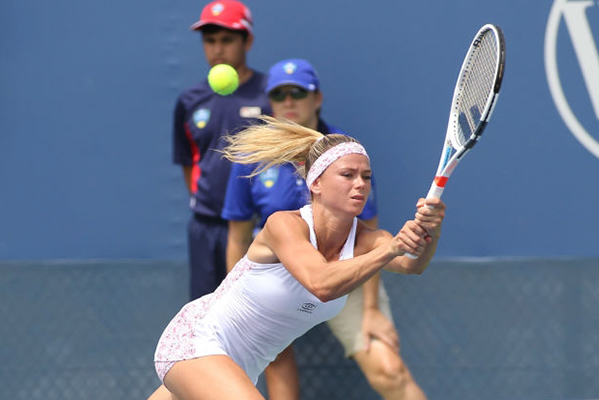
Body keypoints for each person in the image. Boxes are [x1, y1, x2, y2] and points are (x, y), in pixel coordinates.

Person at [148, 117, 446, 400]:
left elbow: (412, 264)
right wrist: (391, 249)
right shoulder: (284, 225)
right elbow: (320, 283)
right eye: (348, 175)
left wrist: (430, 231)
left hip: (238, 367)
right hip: (196, 340)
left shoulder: (368, 240)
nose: (360, 184)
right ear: (315, 183)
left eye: (366, 177)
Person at [221, 59, 427, 400]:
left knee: (389, 370)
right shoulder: (254, 159)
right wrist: (238, 300)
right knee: (273, 371)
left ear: (317, 98)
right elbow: (237, 237)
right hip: (276, 280)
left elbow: (375, 243)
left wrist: (371, 310)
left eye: (298, 93)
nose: (289, 101)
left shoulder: (350, 160)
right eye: (279, 94)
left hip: (345, 270)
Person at [172, 0, 270, 301]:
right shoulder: (189, 101)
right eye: (210, 40)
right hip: (206, 228)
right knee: (205, 312)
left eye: (227, 40)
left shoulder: (270, 96)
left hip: (257, 229)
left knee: (258, 315)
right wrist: (206, 202)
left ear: (247, 41)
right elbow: (188, 162)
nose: (217, 49)